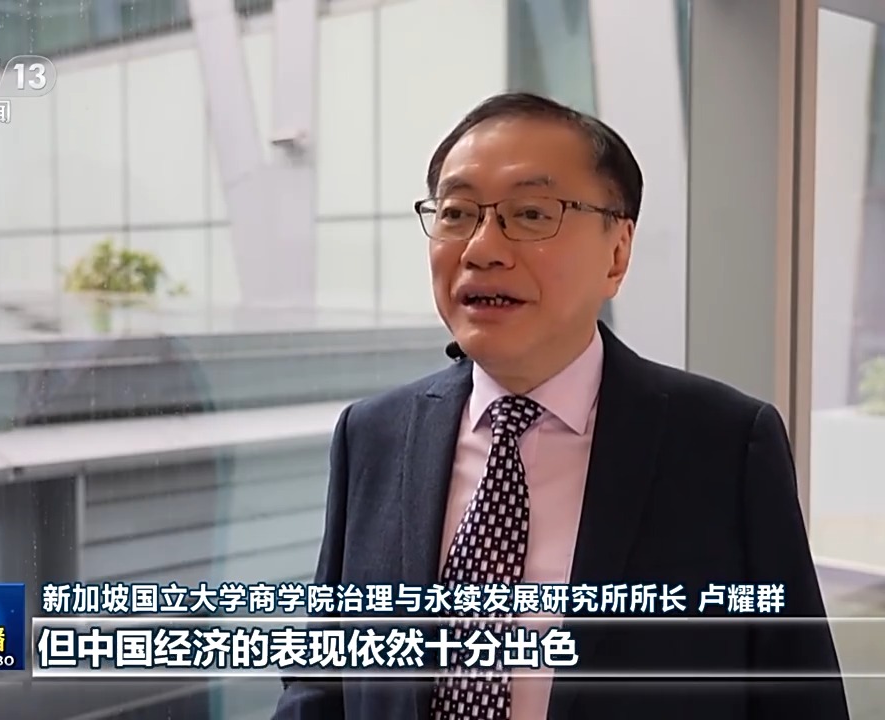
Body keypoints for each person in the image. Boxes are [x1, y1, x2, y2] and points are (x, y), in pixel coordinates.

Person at [273, 92, 850, 720]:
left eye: (530, 214)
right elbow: (320, 685)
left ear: (617, 252)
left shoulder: (724, 446)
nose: (482, 249)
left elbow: (800, 699)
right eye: (457, 213)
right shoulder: (374, 435)